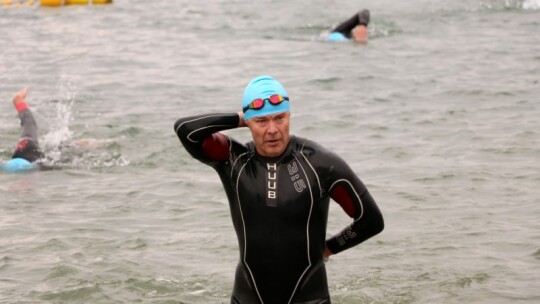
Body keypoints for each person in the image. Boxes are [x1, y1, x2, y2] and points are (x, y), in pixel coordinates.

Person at [174, 75, 384, 304]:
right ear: (248, 123)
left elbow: (370, 220)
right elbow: (185, 129)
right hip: (247, 297)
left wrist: (328, 248)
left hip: (310, 298)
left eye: (280, 118)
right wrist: (240, 118)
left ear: (289, 116)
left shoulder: (320, 164)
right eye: (261, 121)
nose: (272, 129)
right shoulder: (233, 159)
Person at [1, 87, 44, 173]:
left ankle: (18, 100)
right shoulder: (42, 165)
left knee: (29, 123)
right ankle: (18, 101)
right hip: (24, 146)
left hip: (27, 145)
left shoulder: (41, 165)